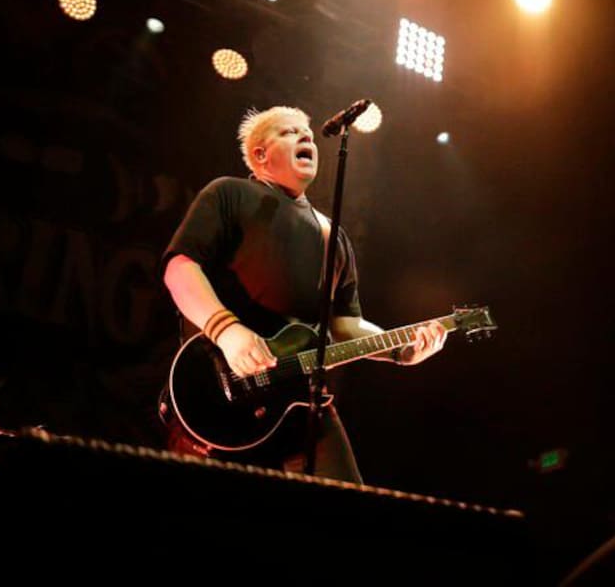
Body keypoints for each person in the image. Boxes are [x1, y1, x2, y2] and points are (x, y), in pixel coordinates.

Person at [159, 105, 446, 481]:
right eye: (289, 132)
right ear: (261, 154)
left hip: (303, 403)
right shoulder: (230, 193)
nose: (306, 136)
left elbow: (345, 326)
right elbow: (179, 268)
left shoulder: (333, 236)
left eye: (307, 133)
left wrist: (399, 348)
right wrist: (227, 331)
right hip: (219, 395)